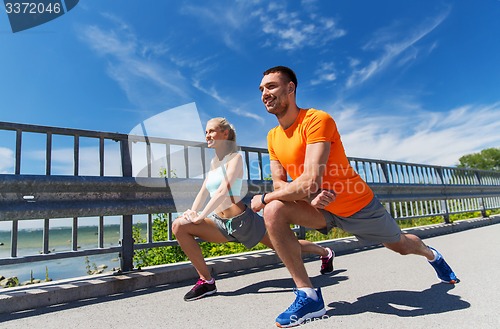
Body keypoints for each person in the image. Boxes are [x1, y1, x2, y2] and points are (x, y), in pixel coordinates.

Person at [251, 66, 459, 328]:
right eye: (261, 89)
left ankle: (432, 255)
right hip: (320, 208)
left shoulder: (316, 119)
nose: (264, 94)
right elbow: (280, 181)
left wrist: (270, 196)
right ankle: (308, 295)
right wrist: (302, 199)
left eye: (271, 87)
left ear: (290, 88)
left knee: (402, 246)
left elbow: (310, 179)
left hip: (356, 205)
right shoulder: (272, 136)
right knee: (274, 211)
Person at [172, 117, 335, 302]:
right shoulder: (213, 163)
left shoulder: (236, 158)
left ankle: (325, 252)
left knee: (290, 247)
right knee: (179, 226)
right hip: (219, 223)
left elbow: (223, 189)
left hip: (244, 222)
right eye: (206, 132)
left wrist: (201, 215)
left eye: (211, 131)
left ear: (225, 134)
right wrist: (192, 211)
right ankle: (206, 281)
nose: (207, 135)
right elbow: (204, 190)